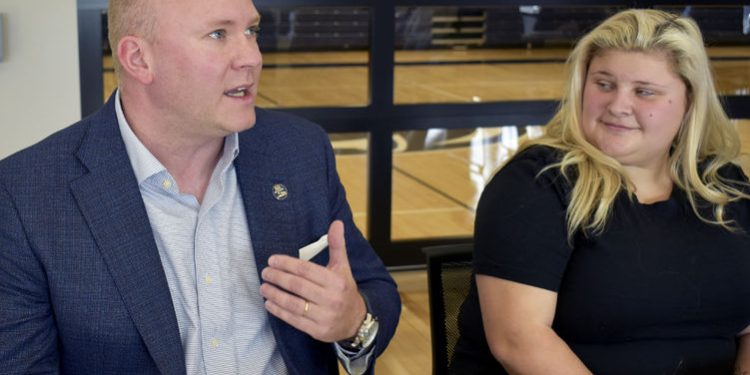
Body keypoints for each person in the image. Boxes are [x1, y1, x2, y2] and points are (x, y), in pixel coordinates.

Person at [0, 0, 400, 374]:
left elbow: (374, 291)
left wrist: (353, 323)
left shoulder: (299, 151)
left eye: (252, 32)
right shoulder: (25, 196)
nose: (252, 58)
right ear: (139, 59)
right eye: (218, 35)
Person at [451, 9, 750, 375]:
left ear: (689, 103)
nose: (618, 105)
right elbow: (519, 341)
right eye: (604, 84)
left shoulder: (724, 187)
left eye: (644, 92)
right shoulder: (537, 183)